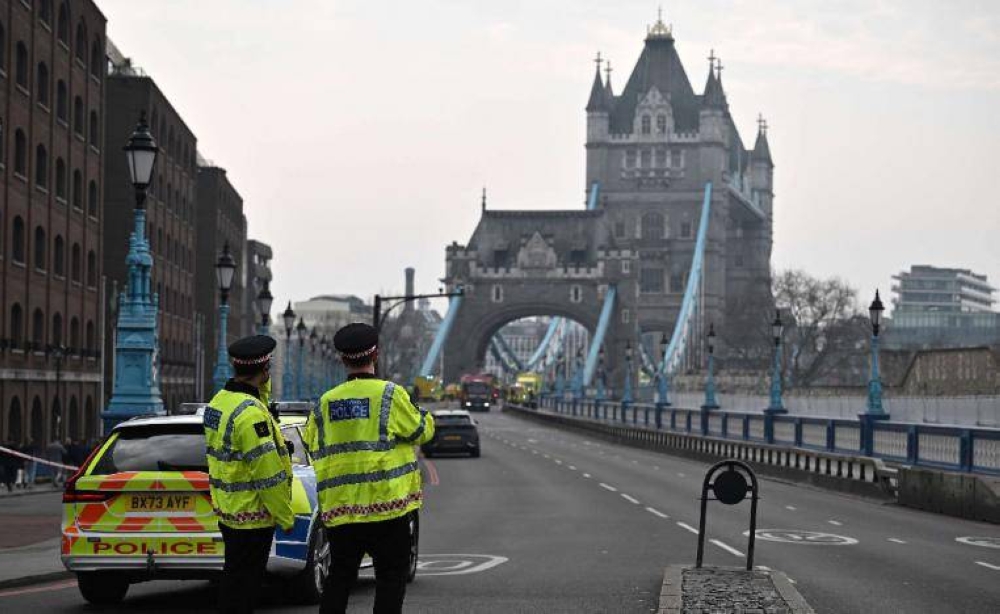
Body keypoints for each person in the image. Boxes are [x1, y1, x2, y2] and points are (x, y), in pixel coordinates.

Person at [305, 322, 435, 614]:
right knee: (390, 577)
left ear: (342, 359)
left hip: (342, 507)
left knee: (339, 577)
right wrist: (422, 413)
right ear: (375, 355)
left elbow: (312, 443)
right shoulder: (390, 395)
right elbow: (421, 432)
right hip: (386, 506)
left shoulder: (325, 402)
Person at [204, 334, 294, 614]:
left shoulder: (218, 402)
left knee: (233, 580)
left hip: (228, 510)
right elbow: (267, 474)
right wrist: (284, 516)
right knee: (245, 588)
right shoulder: (252, 415)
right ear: (265, 370)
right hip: (252, 515)